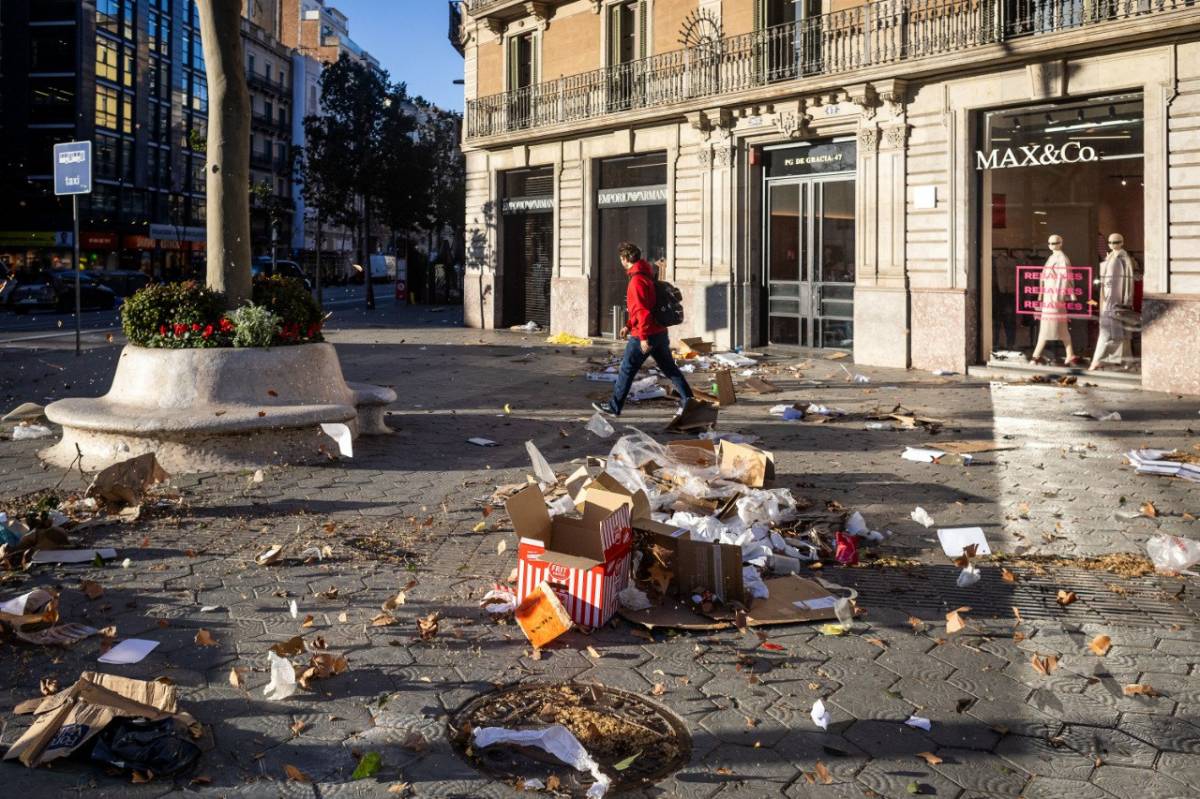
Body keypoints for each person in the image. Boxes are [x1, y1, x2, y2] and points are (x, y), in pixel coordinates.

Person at [592, 242, 694, 417]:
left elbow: (643, 311)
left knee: (627, 369)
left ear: (625, 259)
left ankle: (614, 407)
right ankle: (690, 401)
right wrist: (628, 325)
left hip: (644, 334)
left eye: (620, 258)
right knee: (670, 369)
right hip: (660, 332)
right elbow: (643, 308)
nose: (620, 261)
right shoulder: (646, 276)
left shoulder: (636, 281)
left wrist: (643, 337)